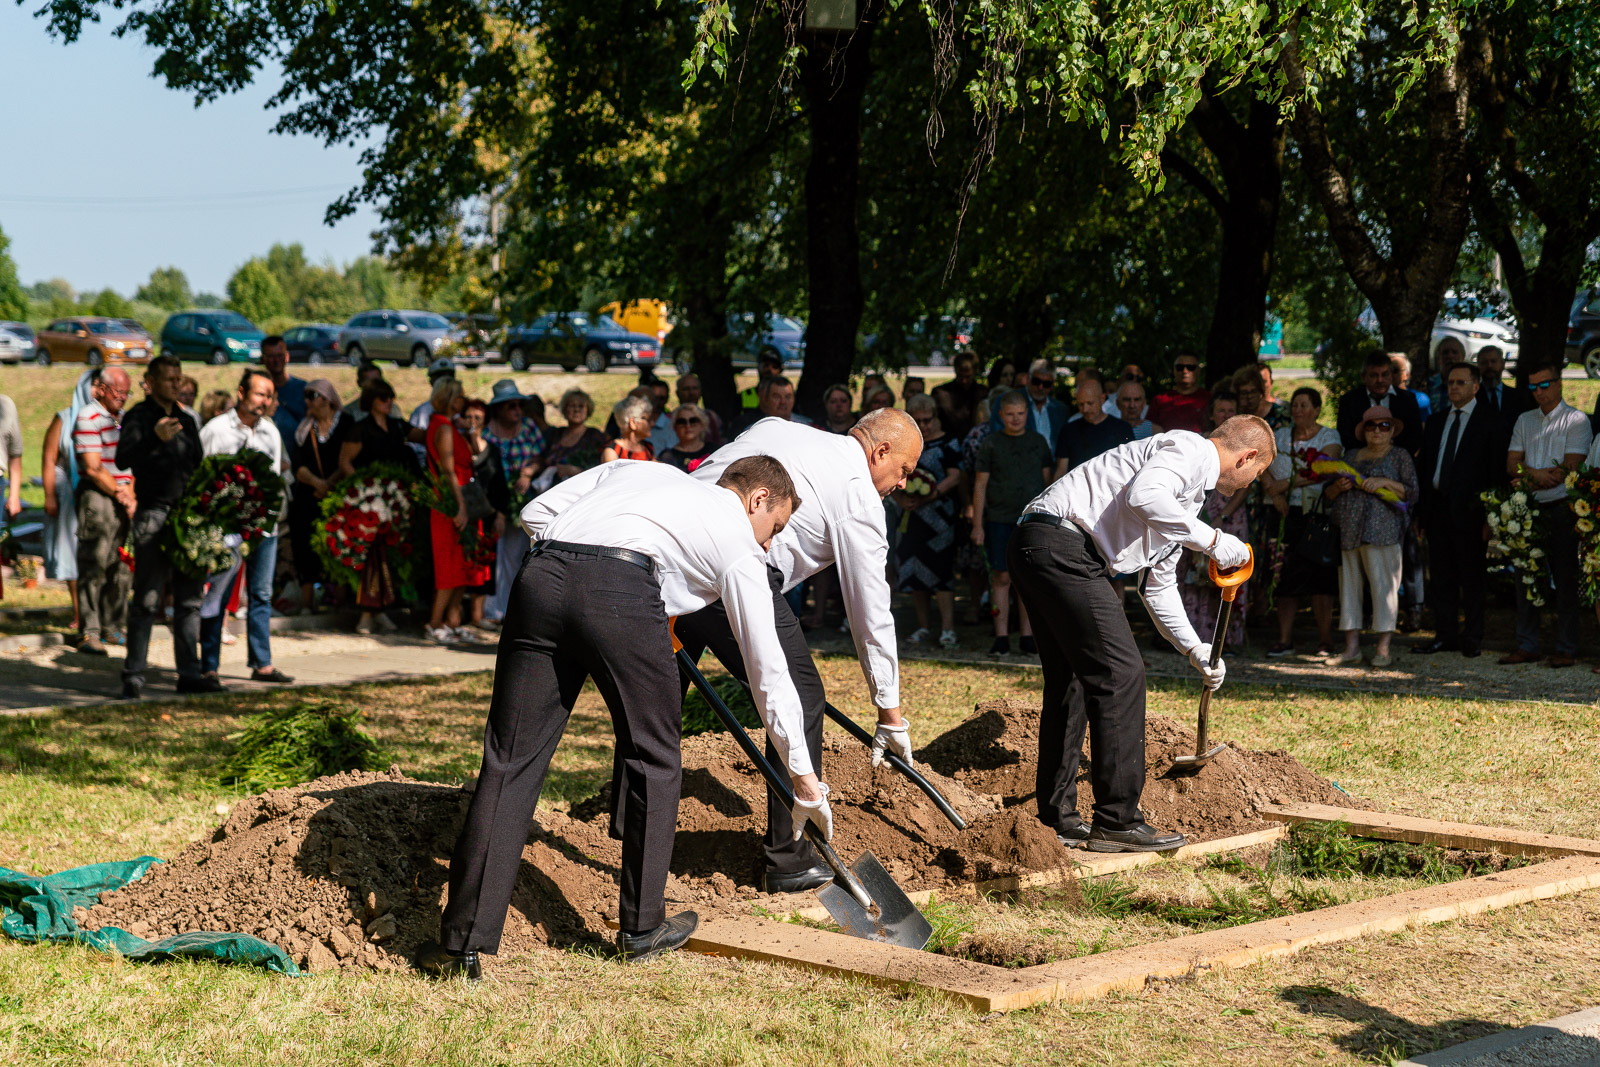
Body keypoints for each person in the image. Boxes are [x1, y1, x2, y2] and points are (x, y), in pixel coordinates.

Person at [415, 456, 811, 976]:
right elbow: (768, 670)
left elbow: (537, 511)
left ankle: (462, 944)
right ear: (758, 498)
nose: (767, 544)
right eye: (774, 529)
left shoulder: (638, 470)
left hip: (543, 576)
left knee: (509, 759)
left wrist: (616, 586)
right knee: (656, 755)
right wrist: (803, 775)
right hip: (622, 588)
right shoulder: (737, 537)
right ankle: (643, 927)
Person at [680, 410, 921, 894]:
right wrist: (890, 713)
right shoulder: (860, 498)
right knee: (802, 693)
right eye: (904, 471)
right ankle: (790, 861)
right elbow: (870, 611)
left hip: (676, 546)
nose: (902, 484)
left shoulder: (778, 428)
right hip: (736, 565)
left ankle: (628, 826)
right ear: (879, 453)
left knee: (661, 699)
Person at [1009, 417, 1272, 852]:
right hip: (1061, 544)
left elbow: (1158, 586)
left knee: (1073, 680)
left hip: (1041, 545)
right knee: (1123, 673)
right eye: (1255, 475)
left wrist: (1194, 648)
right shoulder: (1188, 450)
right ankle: (1117, 821)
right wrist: (1213, 540)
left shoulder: (1185, 501)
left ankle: (1057, 818)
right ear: (1246, 457)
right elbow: (1144, 496)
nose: (1250, 483)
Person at [118, 357, 210, 698]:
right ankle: (134, 675)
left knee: (189, 601)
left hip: (187, 516)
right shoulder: (138, 418)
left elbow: (198, 464)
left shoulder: (186, 419)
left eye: (178, 378)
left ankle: (189, 674)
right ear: (150, 381)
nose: (175, 384)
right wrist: (153, 439)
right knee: (147, 598)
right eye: (168, 378)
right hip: (154, 514)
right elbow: (122, 458)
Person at [198, 367, 294, 685]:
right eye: (259, 393)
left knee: (261, 593)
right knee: (218, 594)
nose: (264, 401)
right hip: (227, 526)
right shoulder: (217, 429)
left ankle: (261, 663)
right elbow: (203, 478)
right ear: (241, 393)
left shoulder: (270, 432)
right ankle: (209, 667)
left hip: (263, 526)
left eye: (269, 395)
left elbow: (275, 479)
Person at [1500, 364, 1593, 667]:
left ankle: (1566, 647)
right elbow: (1511, 464)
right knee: (1526, 578)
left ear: (1558, 384)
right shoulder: (1524, 420)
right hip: (1528, 508)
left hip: (1563, 508)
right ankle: (1528, 644)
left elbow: (1570, 469)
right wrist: (1538, 475)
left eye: (1544, 385)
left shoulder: (1576, 420)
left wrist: (1527, 475)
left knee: (1565, 579)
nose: (1538, 392)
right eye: (1532, 387)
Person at [1415, 363, 1506, 658]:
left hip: (1471, 513)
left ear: (1475, 386)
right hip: (1438, 509)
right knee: (1441, 578)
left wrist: (1491, 516)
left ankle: (1473, 637)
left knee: (1472, 578)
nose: (1453, 387)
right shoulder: (1438, 420)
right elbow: (1427, 468)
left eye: (1460, 382)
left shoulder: (1490, 421)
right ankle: (1445, 635)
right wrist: (1422, 514)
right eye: (1450, 382)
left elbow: (1496, 474)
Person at [1323, 406, 1419, 668]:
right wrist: (1337, 487)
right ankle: (1351, 648)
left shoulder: (1399, 456)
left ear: (1392, 430)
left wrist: (1384, 482)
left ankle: (1383, 648)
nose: (1377, 431)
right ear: (1363, 430)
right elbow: (1328, 495)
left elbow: (1412, 494)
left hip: (1383, 532)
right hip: (1350, 530)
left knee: (1383, 589)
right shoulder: (1351, 456)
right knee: (1349, 589)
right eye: (1371, 426)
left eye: (1384, 426)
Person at [336, 379, 423, 633]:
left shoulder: (397, 426)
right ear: (372, 400)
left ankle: (382, 608)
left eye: (391, 398)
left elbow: (427, 436)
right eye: (383, 398)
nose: (389, 402)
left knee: (391, 556)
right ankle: (367, 612)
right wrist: (363, 492)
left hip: (396, 500)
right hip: (369, 503)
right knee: (371, 558)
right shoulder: (360, 429)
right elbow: (345, 462)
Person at [972, 390, 1054, 655]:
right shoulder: (991, 443)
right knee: (1001, 576)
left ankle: (1028, 635)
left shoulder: (1038, 442)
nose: (1015, 419)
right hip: (998, 519)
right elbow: (980, 485)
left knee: (1028, 578)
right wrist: (977, 524)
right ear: (1000, 415)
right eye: (1010, 414)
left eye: (1020, 414)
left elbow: (1048, 482)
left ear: (1027, 414)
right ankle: (1001, 636)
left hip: (1030, 520)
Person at [1265, 387, 1343, 656]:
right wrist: (1273, 493)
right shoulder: (1280, 436)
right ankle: (1285, 639)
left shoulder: (1329, 436)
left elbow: (1322, 469)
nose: (1297, 410)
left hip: (1315, 516)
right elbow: (1260, 464)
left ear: (1317, 409)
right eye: (1294, 405)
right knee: (1284, 576)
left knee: (1320, 578)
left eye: (1304, 405)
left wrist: (1282, 486)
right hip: (1284, 514)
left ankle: (1325, 640)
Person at [1177, 395, 1251, 650]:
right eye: (1221, 409)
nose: (1226, 414)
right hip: (1199, 510)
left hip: (1230, 514)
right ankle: (1192, 639)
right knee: (1192, 574)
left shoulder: (1244, 446)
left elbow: (1245, 486)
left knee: (1226, 573)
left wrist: (1225, 514)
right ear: (1212, 413)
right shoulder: (1201, 442)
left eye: (1231, 410)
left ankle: (1227, 639)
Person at [72, 367, 135, 655]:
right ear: (100, 389)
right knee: (93, 562)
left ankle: (113, 626)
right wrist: (123, 494)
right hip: (98, 496)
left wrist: (132, 492)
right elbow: (92, 466)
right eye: (117, 392)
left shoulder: (121, 420)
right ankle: (90, 631)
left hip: (125, 496)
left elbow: (132, 463)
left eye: (126, 392)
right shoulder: (88, 416)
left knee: (121, 565)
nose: (122, 397)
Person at [425, 378, 489, 644]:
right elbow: (448, 470)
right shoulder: (443, 428)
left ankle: (452, 622)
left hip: (456, 501)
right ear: (450, 398)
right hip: (449, 504)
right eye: (459, 396)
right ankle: (434, 623)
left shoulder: (448, 426)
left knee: (461, 565)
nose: (463, 400)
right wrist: (461, 506)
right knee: (448, 567)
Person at [896, 395, 962, 648]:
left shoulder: (948, 442)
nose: (923, 425)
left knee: (942, 571)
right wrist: (901, 499)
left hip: (939, 519)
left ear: (936, 416)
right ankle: (923, 626)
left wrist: (931, 494)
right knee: (914, 572)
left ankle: (947, 629)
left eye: (927, 419)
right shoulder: (903, 444)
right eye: (917, 420)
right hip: (911, 518)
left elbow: (955, 476)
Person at [483, 380, 544, 624]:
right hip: (494, 501)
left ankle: (512, 611)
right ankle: (491, 611)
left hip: (524, 500)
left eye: (520, 405)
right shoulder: (487, 432)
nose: (517, 410)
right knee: (494, 555)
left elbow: (541, 457)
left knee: (518, 555)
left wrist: (529, 473)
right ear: (498, 408)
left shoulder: (528, 427)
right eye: (511, 406)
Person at [41, 371, 95, 631]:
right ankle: (79, 612)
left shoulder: (116, 420)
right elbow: (49, 458)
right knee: (73, 555)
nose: (97, 391)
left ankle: (99, 614)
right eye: (94, 386)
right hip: (70, 499)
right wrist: (50, 495)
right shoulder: (64, 419)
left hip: (101, 497)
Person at [289, 379, 346, 618]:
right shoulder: (304, 429)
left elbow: (348, 459)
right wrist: (318, 484)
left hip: (339, 497)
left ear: (326, 398)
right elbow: (298, 465)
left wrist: (330, 483)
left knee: (340, 545)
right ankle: (307, 603)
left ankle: (340, 602)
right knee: (305, 547)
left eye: (312, 396)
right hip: (308, 496)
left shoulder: (346, 425)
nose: (307, 402)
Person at [1337, 350, 1424, 455]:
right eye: (1373, 375)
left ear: (1391, 375)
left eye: (1385, 375)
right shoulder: (1349, 401)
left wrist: (1391, 452)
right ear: (1364, 377)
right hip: (1360, 460)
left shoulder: (1407, 400)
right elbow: (1345, 437)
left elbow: (1415, 436)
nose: (1380, 380)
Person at [1054, 377, 1134, 478]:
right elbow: (1061, 471)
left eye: (1090, 403)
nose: (1085, 409)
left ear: (1102, 399)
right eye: (1080, 404)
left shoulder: (1122, 429)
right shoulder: (1068, 431)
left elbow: (1129, 467)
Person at [1004, 359, 1070, 453]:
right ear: (1028, 379)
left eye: (1046, 384)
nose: (1040, 387)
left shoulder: (1061, 410)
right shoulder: (1009, 401)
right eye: (1036, 381)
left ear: (1053, 384)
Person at [542, 389, 608, 483]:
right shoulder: (554, 434)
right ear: (565, 410)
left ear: (588, 410)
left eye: (581, 406)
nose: (576, 410)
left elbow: (603, 470)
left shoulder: (595, 437)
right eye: (572, 406)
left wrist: (575, 471)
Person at [1148, 352, 1211, 434]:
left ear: (1198, 370)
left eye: (1190, 367)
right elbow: (1148, 429)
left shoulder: (1209, 399)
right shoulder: (1159, 400)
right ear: (1173, 370)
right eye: (1180, 367)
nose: (1185, 371)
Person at [260, 336, 307, 444]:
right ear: (262, 359)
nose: (276, 361)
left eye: (280, 355)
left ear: (287, 357)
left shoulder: (303, 388)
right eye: (271, 356)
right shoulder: (254, 392)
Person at [1476, 345, 1533, 433]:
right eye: (1484, 363)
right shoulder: (1472, 397)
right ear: (1478, 367)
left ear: (1502, 364)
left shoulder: (1518, 397)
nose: (1489, 366)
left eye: (1493, 361)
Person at [409, 358, 457, 461]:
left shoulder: (463, 408)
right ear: (431, 382)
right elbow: (414, 446)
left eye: (449, 377)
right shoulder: (421, 412)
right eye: (439, 378)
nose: (445, 383)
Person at [932, 354, 983, 439]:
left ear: (974, 372)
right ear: (955, 371)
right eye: (960, 376)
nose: (964, 381)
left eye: (968, 377)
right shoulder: (941, 393)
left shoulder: (982, 393)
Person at [658, 406, 715, 471]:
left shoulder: (714, 451)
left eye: (693, 421)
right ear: (674, 427)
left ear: (702, 424)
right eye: (681, 422)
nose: (688, 425)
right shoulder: (667, 456)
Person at [674, 373, 723, 446]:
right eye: (686, 389)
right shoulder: (671, 418)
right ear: (678, 393)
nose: (691, 393)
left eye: (695, 388)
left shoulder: (711, 417)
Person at [737, 349, 786, 414]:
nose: (770, 369)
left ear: (780, 370)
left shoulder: (787, 398)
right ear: (758, 367)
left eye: (774, 367)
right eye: (766, 365)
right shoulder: (743, 396)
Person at [1427, 337, 1467, 413]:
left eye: (1454, 352)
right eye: (1445, 352)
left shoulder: (1470, 385)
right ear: (1438, 358)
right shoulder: (1429, 384)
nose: (1450, 356)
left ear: (1462, 357)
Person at [1391, 352, 1431, 421]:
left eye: (1395, 370)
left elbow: (1424, 429)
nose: (1390, 374)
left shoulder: (1419, 399)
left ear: (1407, 375)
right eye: (1387, 371)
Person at [643, 376, 678, 455]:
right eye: (654, 398)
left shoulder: (672, 425)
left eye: (662, 398)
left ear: (667, 398)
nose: (657, 402)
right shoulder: (636, 422)